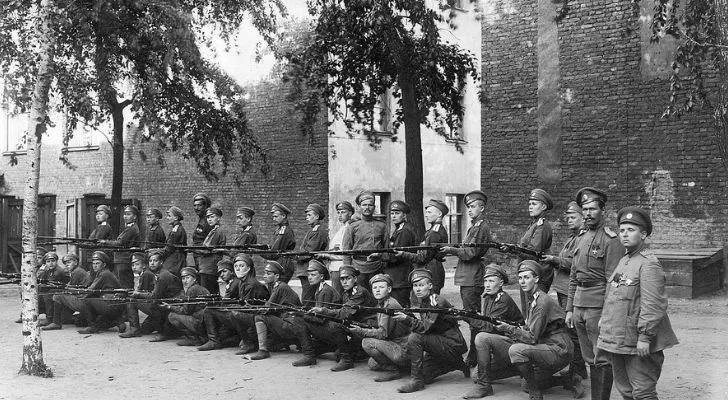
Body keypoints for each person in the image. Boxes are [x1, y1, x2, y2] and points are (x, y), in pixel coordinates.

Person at [597, 207, 679, 400]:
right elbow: (614, 296)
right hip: (618, 339)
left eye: (631, 230)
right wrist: (604, 320)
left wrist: (645, 336)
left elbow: (654, 305)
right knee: (625, 390)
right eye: (622, 230)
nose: (625, 234)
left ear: (643, 234)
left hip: (637, 341)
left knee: (643, 392)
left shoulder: (648, 263)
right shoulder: (625, 260)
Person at [469, 260, 575, 400]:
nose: (522, 282)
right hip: (539, 345)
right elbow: (529, 329)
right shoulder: (532, 298)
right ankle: (484, 385)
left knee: (519, 359)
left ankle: (550, 386)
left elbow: (531, 337)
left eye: (527, 277)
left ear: (536, 279)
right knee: (482, 339)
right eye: (520, 278)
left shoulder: (541, 302)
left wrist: (509, 329)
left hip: (557, 348)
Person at [566, 187, 624, 400]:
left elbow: (614, 281)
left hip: (597, 305)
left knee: (602, 357)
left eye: (592, 209)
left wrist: (607, 314)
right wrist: (570, 309)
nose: (588, 213)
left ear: (602, 211)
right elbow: (574, 276)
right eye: (585, 209)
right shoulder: (580, 238)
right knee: (589, 357)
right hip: (579, 305)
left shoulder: (611, 240)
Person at [393, 269, 469, 393]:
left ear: (430, 286)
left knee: (414, 337)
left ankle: (416, 382)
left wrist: (406, 319)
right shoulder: (424, 300)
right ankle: (456, 363)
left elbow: (424, 328)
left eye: (421, 285)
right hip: (439, 344)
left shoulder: (436, 301)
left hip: (451, 344)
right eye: (415, 286)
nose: (417, 289)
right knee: (425, 375)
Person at [440, 190, 492, 367]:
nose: (469, 210)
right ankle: (475, 352)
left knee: (473, 317)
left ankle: (476, 354)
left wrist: (452, 250)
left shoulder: (481, 228)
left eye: (473, 207)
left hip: (472, 277)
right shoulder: (474, 227)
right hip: (467, 277)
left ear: (482, 208)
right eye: (468, 207)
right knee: (472, 317)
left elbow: (471, 253)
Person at [291, 265, 375, 371]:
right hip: (355, 327)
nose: (344, 282)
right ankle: (321, 352)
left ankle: (347, 360)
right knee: (333, 350)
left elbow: (344, 313)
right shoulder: (347, 292)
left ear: (355, 279)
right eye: (342, 279)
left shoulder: (359, 292)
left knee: (335, 328)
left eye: (348, 278)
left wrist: (323, 311)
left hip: (367, 328)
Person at [540, 201, 588, 385]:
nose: (569, 220)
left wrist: (554, 259)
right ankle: (578, 368)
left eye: (573, 217)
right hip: (563, 289)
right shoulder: (572, 237)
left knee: (573, 330)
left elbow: (574, 265)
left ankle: (577, 369)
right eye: (567, 217)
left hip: (570, 289)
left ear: (583, 218)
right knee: (568, 329)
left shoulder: (582, 238)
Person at [462, 264, 526, 399]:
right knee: (475, 375)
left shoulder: (503, 300)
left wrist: (466, 318)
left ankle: (485, 386)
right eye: (485, 281)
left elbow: (489, 327)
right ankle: (517, 368)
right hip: (503, 344)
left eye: (491, 281)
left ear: (501, 282)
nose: (487, 285)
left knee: (482, 337)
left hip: (517, 344)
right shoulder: (488, 297)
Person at [348, 273, 411, 382]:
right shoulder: (382, 304)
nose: (377, 290)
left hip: (403, 347)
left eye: (381, 287)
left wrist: (361, 331)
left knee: (366, 342)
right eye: (375, 287)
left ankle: (394, 370)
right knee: (372, 364)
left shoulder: (390, 306)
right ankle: (402, 366)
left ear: (389, 289)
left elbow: (383, 334)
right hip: (395, 344)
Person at [120, 250, 182, 339]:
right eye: (150, 261)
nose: (152, 263)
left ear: (161, 262)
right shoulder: (160, 273)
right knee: (145, 329)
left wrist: (138, 294)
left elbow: (154, 296)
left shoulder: (162, 276)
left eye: (155, 261)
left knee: (131, 300)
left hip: (166, 308)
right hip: (165, 305)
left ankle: (134, 330)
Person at [248, 261, 303, 361]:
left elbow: (266, 308)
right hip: (290, 322)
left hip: (291, 323)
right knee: (271, 345)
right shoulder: (276, 286)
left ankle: (263, 351)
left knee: (259, 317)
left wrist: (250, 308)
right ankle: (288, 341)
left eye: (268, 274)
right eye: (264, 273)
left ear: (277, 276)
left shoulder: (280, 287)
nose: (264, 276)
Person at [369, 200, 418, 307]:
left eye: (397, 213)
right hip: (396, 277)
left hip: (400, 277)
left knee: (400, 307)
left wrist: (379, 256)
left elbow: (396, 256)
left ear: (404, 215)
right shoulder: (399, 229)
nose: (394, 216)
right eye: (392, 213)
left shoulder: (404, 231)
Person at [398, 199, 449, 294]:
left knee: (429, 301)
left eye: (429, 212)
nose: (426, 215)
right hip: (431, 268)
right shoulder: (432, 230)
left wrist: (403, 254)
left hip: (430, 270)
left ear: (439, 214)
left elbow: (423, 258)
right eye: (426, 212)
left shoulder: (435, 233)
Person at [342, 191, 386, 291]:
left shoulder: (382, 226)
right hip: (358, 268)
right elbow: (346, 251)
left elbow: (386, 249)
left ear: (374, 207)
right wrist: (348, 271)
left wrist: (381, 257)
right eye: (364, 205)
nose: (367, 208)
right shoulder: (352, 226)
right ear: (359, 207)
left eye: (370, 205)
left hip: (377, 268)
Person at [77, 251, 126, 334]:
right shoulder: (105, 273)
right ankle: (118, 321)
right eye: (93, 263)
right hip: (115, 304)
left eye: (97, 263)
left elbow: (91, 290)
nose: (94, 266)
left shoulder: (104, 274)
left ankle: (92, 327)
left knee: (86, 300)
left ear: (104, 264)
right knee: (80, 320)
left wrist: (80, 294)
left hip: (111, 303)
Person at [42, 253, 92, 331]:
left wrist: (60, 289)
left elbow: (69, 289)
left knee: (57, 296)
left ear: (75, 262)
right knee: (64, 319)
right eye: (65, 263)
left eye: (69, 262)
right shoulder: (76, 271)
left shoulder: (77, 272)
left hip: (84, 300)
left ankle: (56, 323)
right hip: (83, 299)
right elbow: (69, 287)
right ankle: (78, 318)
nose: (66, 265)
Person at [165, 267, 210, 343]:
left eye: (187, 278)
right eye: (183, 278)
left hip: (199, 322)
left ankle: (195, 339)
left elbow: (186, 311)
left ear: (194, 278)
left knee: (172, 316)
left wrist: (170, 307)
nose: (185, 281)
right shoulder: (201, 288)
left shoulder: (192, 289)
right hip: (205, 322)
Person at [318, 201, 354, 296]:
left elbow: (345, 253)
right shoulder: (341, 228)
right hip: (334, 268)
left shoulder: (349, 228)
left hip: (340, 267)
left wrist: (326, 255)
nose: (340, 215)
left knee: (338, 295)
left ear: (350, 213)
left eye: (343, 212)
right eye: (338, 212)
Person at [101, 205, 141, 289]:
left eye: (128, 214)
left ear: (135, 217)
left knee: (124, 285)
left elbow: (120, 243)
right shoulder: (129, 227)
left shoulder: (131, 229)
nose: (125, 216)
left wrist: (105, 242)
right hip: (121, 260)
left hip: (124, 260)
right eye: (125, 214)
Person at [294, 203, 329, 297]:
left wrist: (295, 256)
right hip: (306, 269)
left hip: (310, 269)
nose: (306, 217)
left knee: (307, 298)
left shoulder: (318, 231)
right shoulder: (312, 230)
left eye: (309, 215)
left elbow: (309, 252)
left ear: (317, 216)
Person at [262, 203, 296, 283]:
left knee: (278, 289)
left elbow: (274, 252)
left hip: (283, 264)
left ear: (283, 216)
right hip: (280, 262)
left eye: (276, 216)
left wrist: (259, 252)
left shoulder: (284, 231)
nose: (274, 219)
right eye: (273, 216)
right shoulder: (279, 229)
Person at [197, 207, 226, 294]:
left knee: (207, 294)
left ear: (219, 218)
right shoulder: (214, 230)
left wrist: (196, 250)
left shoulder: (217, 232)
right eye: (208, 217)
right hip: (208, 268)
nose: (209, 219)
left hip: (209, 269)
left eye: (212, 217)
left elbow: (206, 249)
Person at [37, 251, 70, 326]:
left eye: (53, 261)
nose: (51, 263)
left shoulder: (59, 271)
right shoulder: (48, 270)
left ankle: (49, 318)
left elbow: (62, 284)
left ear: (56, 261)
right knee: (39, 293)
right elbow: (41, 280)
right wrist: (41, 271)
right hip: (53, 289)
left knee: (47, 295)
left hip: (60, 290)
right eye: (48, 261)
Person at [160, 206, 187, 277]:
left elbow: (169, 248)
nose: (167, 218)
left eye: (169, 216)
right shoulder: (177, 228)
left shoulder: (176, 230)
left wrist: (157, 251)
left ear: (176, 218)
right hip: (176, 258)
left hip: (175, 260)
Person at [191, 193, 213, 270]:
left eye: (199, 205)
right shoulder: (202, 220)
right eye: (195, 205)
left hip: (203, 260)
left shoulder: (207, 222)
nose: (196, 208)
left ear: (206, 206)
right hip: (200, 258)